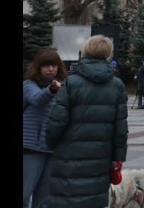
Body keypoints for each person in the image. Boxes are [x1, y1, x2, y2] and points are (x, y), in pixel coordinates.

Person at [47, 35, 128, 208]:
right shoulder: (117, 85)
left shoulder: (71, 83)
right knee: (93, 199)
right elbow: (121, 126)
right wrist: (117, 157)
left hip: (69, 154)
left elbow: (57, 120)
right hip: (101, 155)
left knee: (66, 198)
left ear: (86, 51)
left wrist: (51, 143)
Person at [23, 49, 66, 208]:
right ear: (38, 67)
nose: (50, 69)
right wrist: (52, 89)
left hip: (52, 148)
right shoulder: (28, 85)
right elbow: (37, 99)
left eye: (53, 65)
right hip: (31, 148)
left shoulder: (64, 87)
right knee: (24, 194)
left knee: (44, 198)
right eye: (46, 65)